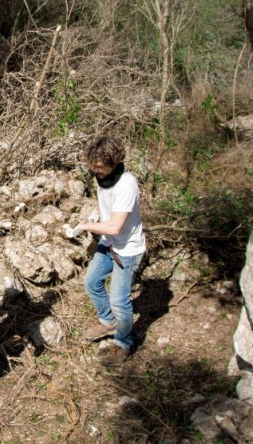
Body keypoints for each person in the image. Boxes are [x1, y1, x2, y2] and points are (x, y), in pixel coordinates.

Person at [75, 136, 147, 367]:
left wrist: (85, 226)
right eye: (93, 165)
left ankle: (124, 343)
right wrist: (96, 214)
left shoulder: (126, 184)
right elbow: (105, 202)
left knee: (119, 300)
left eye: (99, 166)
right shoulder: (102, 177)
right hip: (109, 243)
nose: (95, 170)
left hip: (127, 249)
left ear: (113, 162)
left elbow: (116, 225)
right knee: (92, 282)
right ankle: (108, 322)